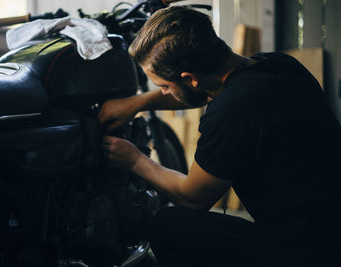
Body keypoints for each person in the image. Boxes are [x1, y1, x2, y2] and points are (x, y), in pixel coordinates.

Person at [98, 5, 341, 267]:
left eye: (164, 87)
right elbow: (203, 93)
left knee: (166, 225)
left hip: (306, 252)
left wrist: (134, 160)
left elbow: (194, 199)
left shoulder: (233, 110)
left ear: (190, 78)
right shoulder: (277, 65)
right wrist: (136, 104)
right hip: (331, 230)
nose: (164, 93)